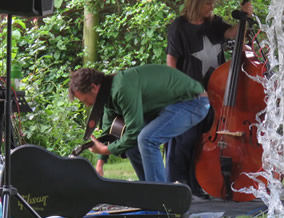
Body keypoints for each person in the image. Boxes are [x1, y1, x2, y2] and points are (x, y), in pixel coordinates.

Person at [165, 0, 253, 192]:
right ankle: (179, 183)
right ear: (196, 2)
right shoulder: (179, 27)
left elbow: (232, 34)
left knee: (205, 141)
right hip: (189, 93)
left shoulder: (213, 23)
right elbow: (171, 62)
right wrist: (180, 89)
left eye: (213, 5)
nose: (211, 9)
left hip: (215, 93)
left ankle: (199, 184)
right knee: (187, 139)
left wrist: (244, 17)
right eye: (208, 4)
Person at [68, 65, 210, 183]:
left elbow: (134, 131)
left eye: (85, 100)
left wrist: (106, 150)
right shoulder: (107, 94)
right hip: (168, 106)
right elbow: (110, 132)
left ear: (93, 88)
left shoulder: (121, 88)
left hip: (193, 101)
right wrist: (100, 164)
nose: (87, 105)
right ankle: (148, 191)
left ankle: (160, 199)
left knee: (147, 139)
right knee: (131, 145)